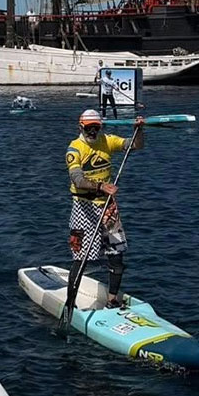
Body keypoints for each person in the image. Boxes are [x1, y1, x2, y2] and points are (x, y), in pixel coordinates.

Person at [66, 110, 144, 309]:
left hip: (108, 208)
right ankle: (70, 304)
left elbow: (135, 145)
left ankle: (112, 300)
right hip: (84, 208)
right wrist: (100, 186)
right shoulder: (74, 149)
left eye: (96, 127)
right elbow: (77, 179)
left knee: (117, 256)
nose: (92, 131)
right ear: (81, 127)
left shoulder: (107, 141)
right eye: (89, 128)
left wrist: (139, 130)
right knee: (81, 258)